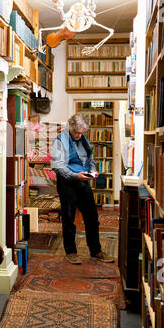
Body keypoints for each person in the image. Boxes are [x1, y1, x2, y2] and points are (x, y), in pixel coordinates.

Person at [51, 114, 114, 265]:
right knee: (69, 218)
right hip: (67, 183)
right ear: (70, 129)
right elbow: (57, 167)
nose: (79, 136)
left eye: (82, 133)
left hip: (83, 181)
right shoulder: (59, 141)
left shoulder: (83, 140)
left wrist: (92, 171)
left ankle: (96, 250)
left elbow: (90, 159)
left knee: (92, 217)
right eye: (76, 133)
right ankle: (71, 252)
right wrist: (75, 176)